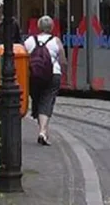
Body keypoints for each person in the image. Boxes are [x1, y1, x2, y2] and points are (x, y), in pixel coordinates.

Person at [24, 15, 66, 146]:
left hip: (34, 76)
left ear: (38, 26)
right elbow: (63, 61)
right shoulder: (56, 41)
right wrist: (63, 72)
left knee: (38, 101)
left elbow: (23, 60)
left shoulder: (29, 41)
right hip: (53, 75)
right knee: (47, 101)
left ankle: (43, 130)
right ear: (52, 27)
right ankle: (43, 132)